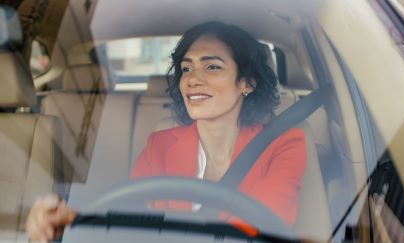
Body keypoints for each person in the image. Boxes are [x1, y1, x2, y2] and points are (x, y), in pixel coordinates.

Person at [26, 21, 306, 242]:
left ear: (247, 83)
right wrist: (71, 219)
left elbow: (266, 223)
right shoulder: (159, 144)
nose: (193, 79)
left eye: (212, 66)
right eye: (186, 68)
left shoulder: (283, 143)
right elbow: (130, 216)